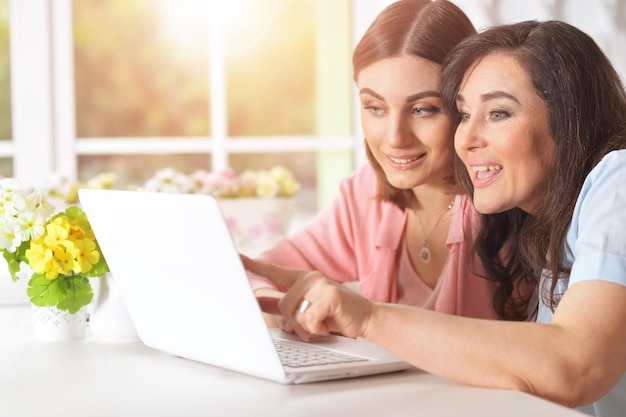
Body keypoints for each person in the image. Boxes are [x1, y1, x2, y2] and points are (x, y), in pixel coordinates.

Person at [243, 20, 626, 415]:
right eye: (463, 114)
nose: (467, 138)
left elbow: (577, 367)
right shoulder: (552, 227)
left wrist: (369, 318)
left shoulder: (618, 180)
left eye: (498, 113)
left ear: (569, 119)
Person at [249, 0, 534, 328]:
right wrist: (286, 309)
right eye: (375, 107)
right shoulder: (366, 193)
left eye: (423, 109)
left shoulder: (508, 197)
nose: (396, 138)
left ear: (464, 107)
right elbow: (260, 271)